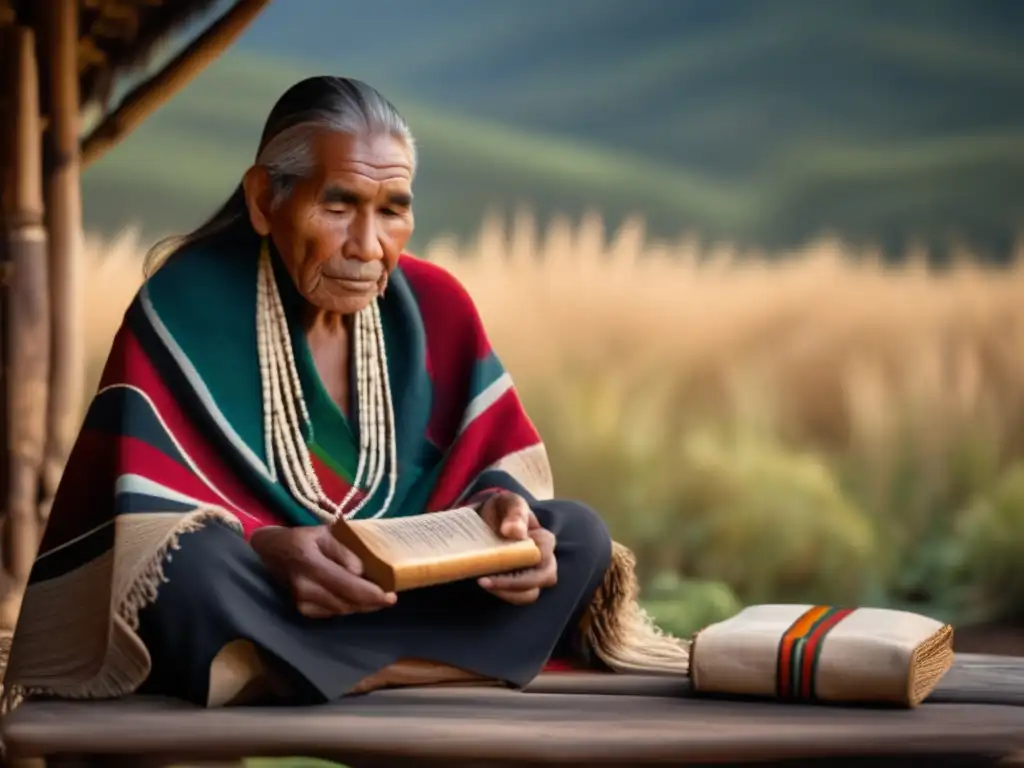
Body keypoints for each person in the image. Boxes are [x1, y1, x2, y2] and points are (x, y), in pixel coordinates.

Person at [3, 77, 687, 709]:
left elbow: (494, 468)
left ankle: (306, 672)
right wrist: (269, 544)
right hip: (274, 593)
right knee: (189, 574)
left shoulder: (437, 303)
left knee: (577, 537)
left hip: (410, 591)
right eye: (340, 204)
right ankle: (437, 665)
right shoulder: (184, 303)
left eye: (392, 210)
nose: (368, 244)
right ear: (264, 200)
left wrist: (505, 515)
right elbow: (145, 509)